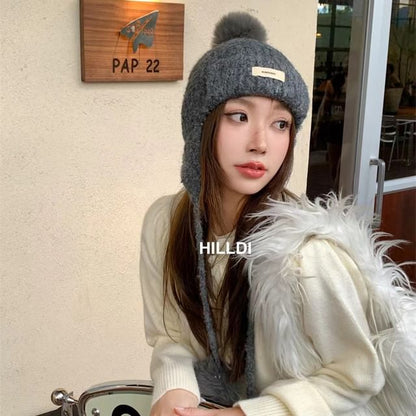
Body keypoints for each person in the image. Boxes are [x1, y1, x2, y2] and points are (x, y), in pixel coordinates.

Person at [140, 12, 416, 416]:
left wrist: (242, 414)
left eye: (281, 124)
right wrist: (175, 394)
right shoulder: (165, 223)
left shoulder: (305, 252)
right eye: (239, 116)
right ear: (199, 125)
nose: (261, 143)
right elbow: (171, 336)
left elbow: (356, 376)